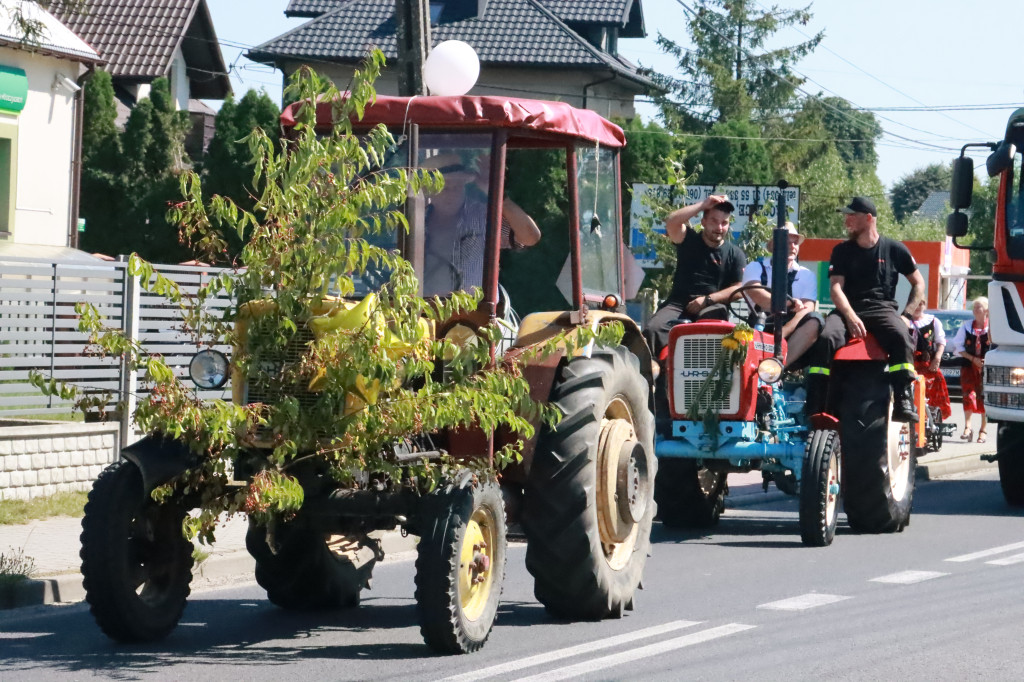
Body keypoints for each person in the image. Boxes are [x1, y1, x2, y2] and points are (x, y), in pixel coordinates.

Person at [805, 196, 926, 423]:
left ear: (868, 218)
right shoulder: (841, 250)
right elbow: (835, 288)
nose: (846, 220)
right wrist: (850, 316)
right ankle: (816, 403)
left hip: (882, 310)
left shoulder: (895, 249)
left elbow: (919, 283)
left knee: (901, 335)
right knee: (826, 338)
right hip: (847, 309)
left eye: (851, 215)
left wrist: (907, 316)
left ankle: (903, 398)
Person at [421, 151, 540, 296]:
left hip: (477, 313)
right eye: (444, 188)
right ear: (428, 191)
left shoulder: (483, 216)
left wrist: (497, 193)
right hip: (422, 313)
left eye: (457, 186)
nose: (451, 193)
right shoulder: (414, 223)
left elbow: (529, 237)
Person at [646, 194, 747, 356]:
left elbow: (740, 288)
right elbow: (671, 222)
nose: (719, 227)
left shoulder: (736, 254)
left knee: (712, 329)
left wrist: (708, 300)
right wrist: (703, 205)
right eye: (714, 221)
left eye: (724, 223)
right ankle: (655, 376)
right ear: (703, 222)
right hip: (678, 304)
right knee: (652, 329)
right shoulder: (688, 239)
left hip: (712, 306)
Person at [740, 221, 823, 368]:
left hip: (791, 336)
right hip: (759, 329)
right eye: (787, 242)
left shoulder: (806, 275)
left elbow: (806, 310)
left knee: (815, 320)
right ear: (773, 246)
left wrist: (781, 335)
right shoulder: (755, 268)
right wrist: (790, 303)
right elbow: (758, 296)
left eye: (795, 243)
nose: (792, 247)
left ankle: (777, 369)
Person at [951, 297, 990, 443]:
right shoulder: (967, 327)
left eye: (978, 307)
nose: (975, 310)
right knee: (968, 394)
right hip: (968, 365)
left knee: (985, 397)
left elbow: (997, 346)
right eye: (974, 307)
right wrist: (973, 359)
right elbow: (958, 347)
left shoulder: (992, 327)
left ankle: (983, 429)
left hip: (987, 368)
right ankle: (968, 427)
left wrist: (987, 360)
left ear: (986, 310)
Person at [906, 299, 951, 421]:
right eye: (916, 304)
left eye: (921, 304)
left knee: (930, 393)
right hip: (909, 362)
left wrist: (937, 358)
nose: (918, 307)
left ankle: (928, 420)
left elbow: (941, 342)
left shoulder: (933, 321)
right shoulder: (904, 321)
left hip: (927, 364)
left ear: (924, 305)